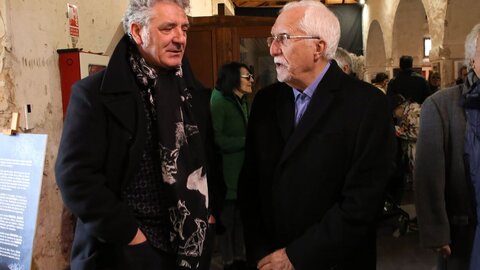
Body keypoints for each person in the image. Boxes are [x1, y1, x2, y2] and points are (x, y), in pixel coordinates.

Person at [55, 1, 225, 269]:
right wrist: (131, 237)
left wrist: (210, 214)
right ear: (137, 32)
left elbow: (210, 159)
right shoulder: (94, 95)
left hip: (191, 244)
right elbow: (76, 178)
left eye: (184, 28)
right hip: (125, 250)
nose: (179, 38)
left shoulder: (193, 94)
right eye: (167, 28)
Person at [237, 1, 395, 269]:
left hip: (335, 260)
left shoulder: (367, 105)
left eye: (283, 38)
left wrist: (296, 256)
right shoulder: (265, 101)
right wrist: (261, 252)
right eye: (272, 39)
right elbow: (250, 184)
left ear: (318, 47)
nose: (273, 49)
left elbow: (363, 200)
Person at [415, 23, 480, 269]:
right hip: (466, 232)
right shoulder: (441, 106)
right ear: (472, 60)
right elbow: (428, 174)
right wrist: (435, 231)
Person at [210, 62, 253, 270]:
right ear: (234, 79)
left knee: (240, 221)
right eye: (247, 76)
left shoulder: (241, 100)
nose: (251, 80)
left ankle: (239, 259)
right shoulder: (219, 101)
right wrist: (246, 141)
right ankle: (228, 262)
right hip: (227, 175)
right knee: (227, 222)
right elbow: (215, 139)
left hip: (241, 174)